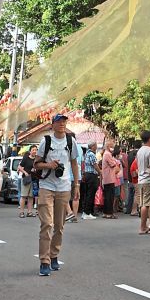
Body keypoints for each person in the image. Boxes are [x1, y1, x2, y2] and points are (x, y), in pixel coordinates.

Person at [34, 112, 79, 276]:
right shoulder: (45, 141)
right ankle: (44, 261)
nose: (62, 124)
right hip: (46, 185)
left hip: (64, 187)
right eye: (59, 121)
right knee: (47, 224)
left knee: (59, 226)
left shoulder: (70, 141)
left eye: (64, 121)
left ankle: (54, 255)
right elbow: (36, 164)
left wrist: (77, 184)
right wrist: (49, 165)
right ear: (52, 124)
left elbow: (74, 163)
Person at [136, 131, 150, 235]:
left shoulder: (139, 151)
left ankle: (144, 226)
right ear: (149, 139)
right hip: (148, 179)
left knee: (143, 203)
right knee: (146, 204)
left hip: (140, 179)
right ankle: (142, 227)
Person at [101, 144, 123, 219]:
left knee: (107, 196)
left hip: (107, 178)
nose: (113, 148)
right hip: (109, 178)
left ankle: (106, 212)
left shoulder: (106, 154)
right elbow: (114, 164)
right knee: (110, 196)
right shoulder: (107, 154)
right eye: (111, 146)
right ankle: (109, 213)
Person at [80, 142, 100, 219]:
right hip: (92, 175)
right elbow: (95, 165)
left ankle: (86, 211)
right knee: (90, 194)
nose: (97, 147)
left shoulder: (87, 154)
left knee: (88, 193)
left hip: (87, 175)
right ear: (93, 146)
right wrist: (100, 172)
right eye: (96, 145)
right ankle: (87, 212)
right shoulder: (91, 154)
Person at [18, 147, 38, 217]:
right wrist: (25, 172)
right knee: (23, 196)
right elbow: (20, 167)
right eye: (33, 150)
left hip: (34, 179)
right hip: (26, 179)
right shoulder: (26, 158)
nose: (35, 151)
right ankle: (21, 212)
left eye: (36, 150)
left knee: (31, 196)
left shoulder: (37, 159)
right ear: (30, 151)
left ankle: (29, 212)